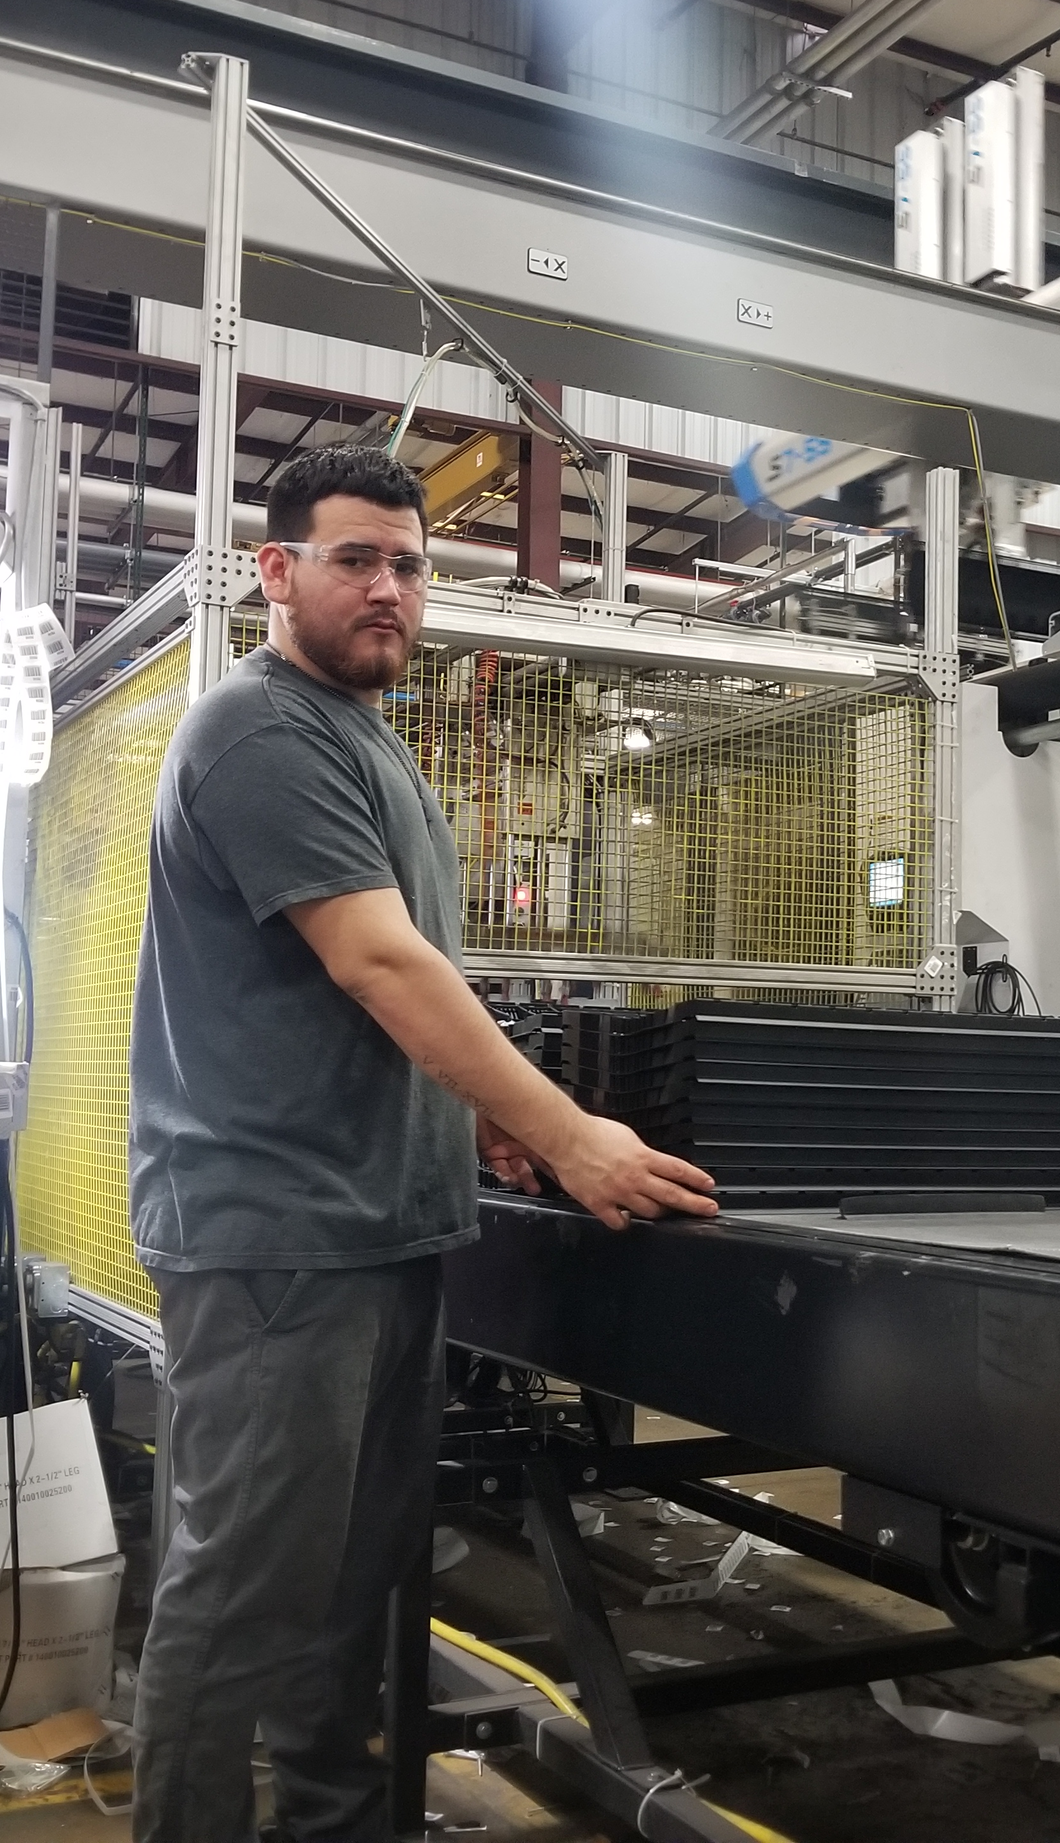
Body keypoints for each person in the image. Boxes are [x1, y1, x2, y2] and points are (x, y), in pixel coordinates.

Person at [126, 442, 718, 1843]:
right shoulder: (261, 732)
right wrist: (564, 1131)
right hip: (278, 1242)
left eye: (409, 565)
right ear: (276, 572)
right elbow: (381, 966)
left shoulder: (367, 740)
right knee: (246, 1588)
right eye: (355, 559)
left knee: (352, 1583)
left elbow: (390, 992)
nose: (389, 589)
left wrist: (468, 1118)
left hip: (376, 1231)